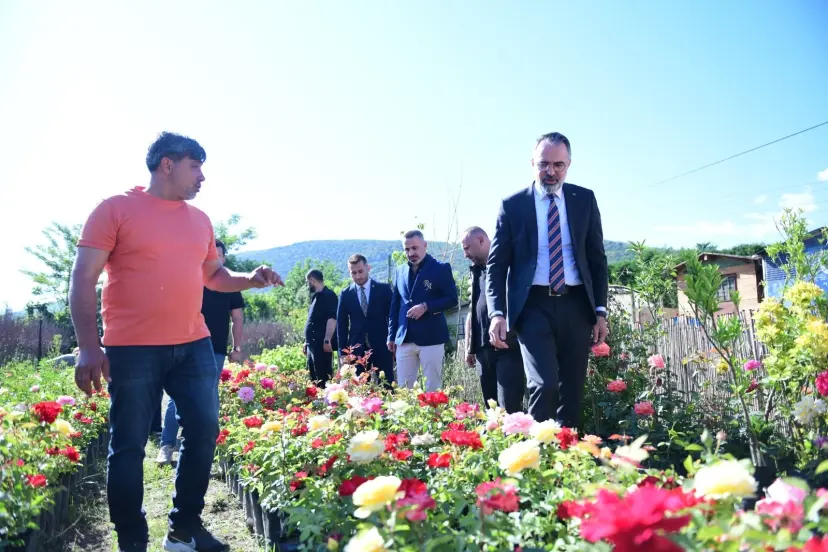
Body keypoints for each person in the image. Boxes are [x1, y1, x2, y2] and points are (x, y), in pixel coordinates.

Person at [69, 132, 283, 552]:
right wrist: (89, 346)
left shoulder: (200, 220)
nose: (202, 177)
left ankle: (184, 529)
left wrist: (250, 279)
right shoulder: (114, 209)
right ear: (167, 164)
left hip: (194, 344)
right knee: (128, 445)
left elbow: (214, 276)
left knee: (204, 429)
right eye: (195, 166)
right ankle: (132, 539)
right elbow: (83, 277)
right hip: (133, 349)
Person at [486, 132, 609, 428]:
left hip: (576, 305)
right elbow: (496, 265)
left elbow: (597, 259)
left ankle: (566, 450)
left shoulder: (584, 200)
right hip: (533, 306)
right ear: (532, 163)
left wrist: (600, 311)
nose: (550, 171)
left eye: (558, 165)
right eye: (543, 164)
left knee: (573, 388)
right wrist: (497, 313)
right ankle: (536, 450)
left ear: (568, 165)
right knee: (544, 384)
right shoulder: (513, 205)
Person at [156, 239, 245, 465]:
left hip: (215, 349)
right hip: (186, 345)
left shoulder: (230, 282)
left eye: (219, 255)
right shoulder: (191, 276)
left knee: (210, 396)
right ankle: (167, 445)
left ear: (224, 258)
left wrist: (237, 348)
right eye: (211, 255)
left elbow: (237, 318)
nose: (215, 258)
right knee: (178, 395)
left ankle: (206, 447)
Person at [461, 227, 525, 413]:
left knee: (508, 408)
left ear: (481, 241)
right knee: (490, 410)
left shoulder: (509, 268)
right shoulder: (476, 272)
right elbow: (472, 311)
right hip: (483, 351)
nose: (465, 254)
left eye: (467, 248)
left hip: (507, 348)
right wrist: (469, 347)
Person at [388, 230, 458, 392]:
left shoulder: (440, 268)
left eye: (415, 248)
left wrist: (426, 307)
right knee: (404, 390)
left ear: (425, 245)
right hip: (404, 338)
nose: (411, 253)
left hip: (431, 337)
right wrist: (391, 336)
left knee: (432, 389)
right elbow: (395, 306)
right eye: (407, 249)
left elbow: (452, 299)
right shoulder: (400, 270)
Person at [336, 254, 394, 388]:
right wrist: (342, 352)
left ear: (368, 268)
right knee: (359, 389)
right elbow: (341, 325)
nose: (357, 276)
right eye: (353, 273)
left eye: (360, 271)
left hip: (382, 346)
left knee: (387, 386)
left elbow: (392, 317)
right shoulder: (346, 294)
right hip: (356, 350)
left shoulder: (384, 290)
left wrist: (393, 339)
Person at [303, 269, 338, 387]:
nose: (308, 285)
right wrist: (306, 342)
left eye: (308, 282)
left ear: (312, 280)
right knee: (314, 379)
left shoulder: (329, 295)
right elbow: (312, 320)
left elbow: (332, 319)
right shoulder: (315, 297)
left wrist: (327, 339)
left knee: (323, 379)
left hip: (322, 345)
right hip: (312, 345)